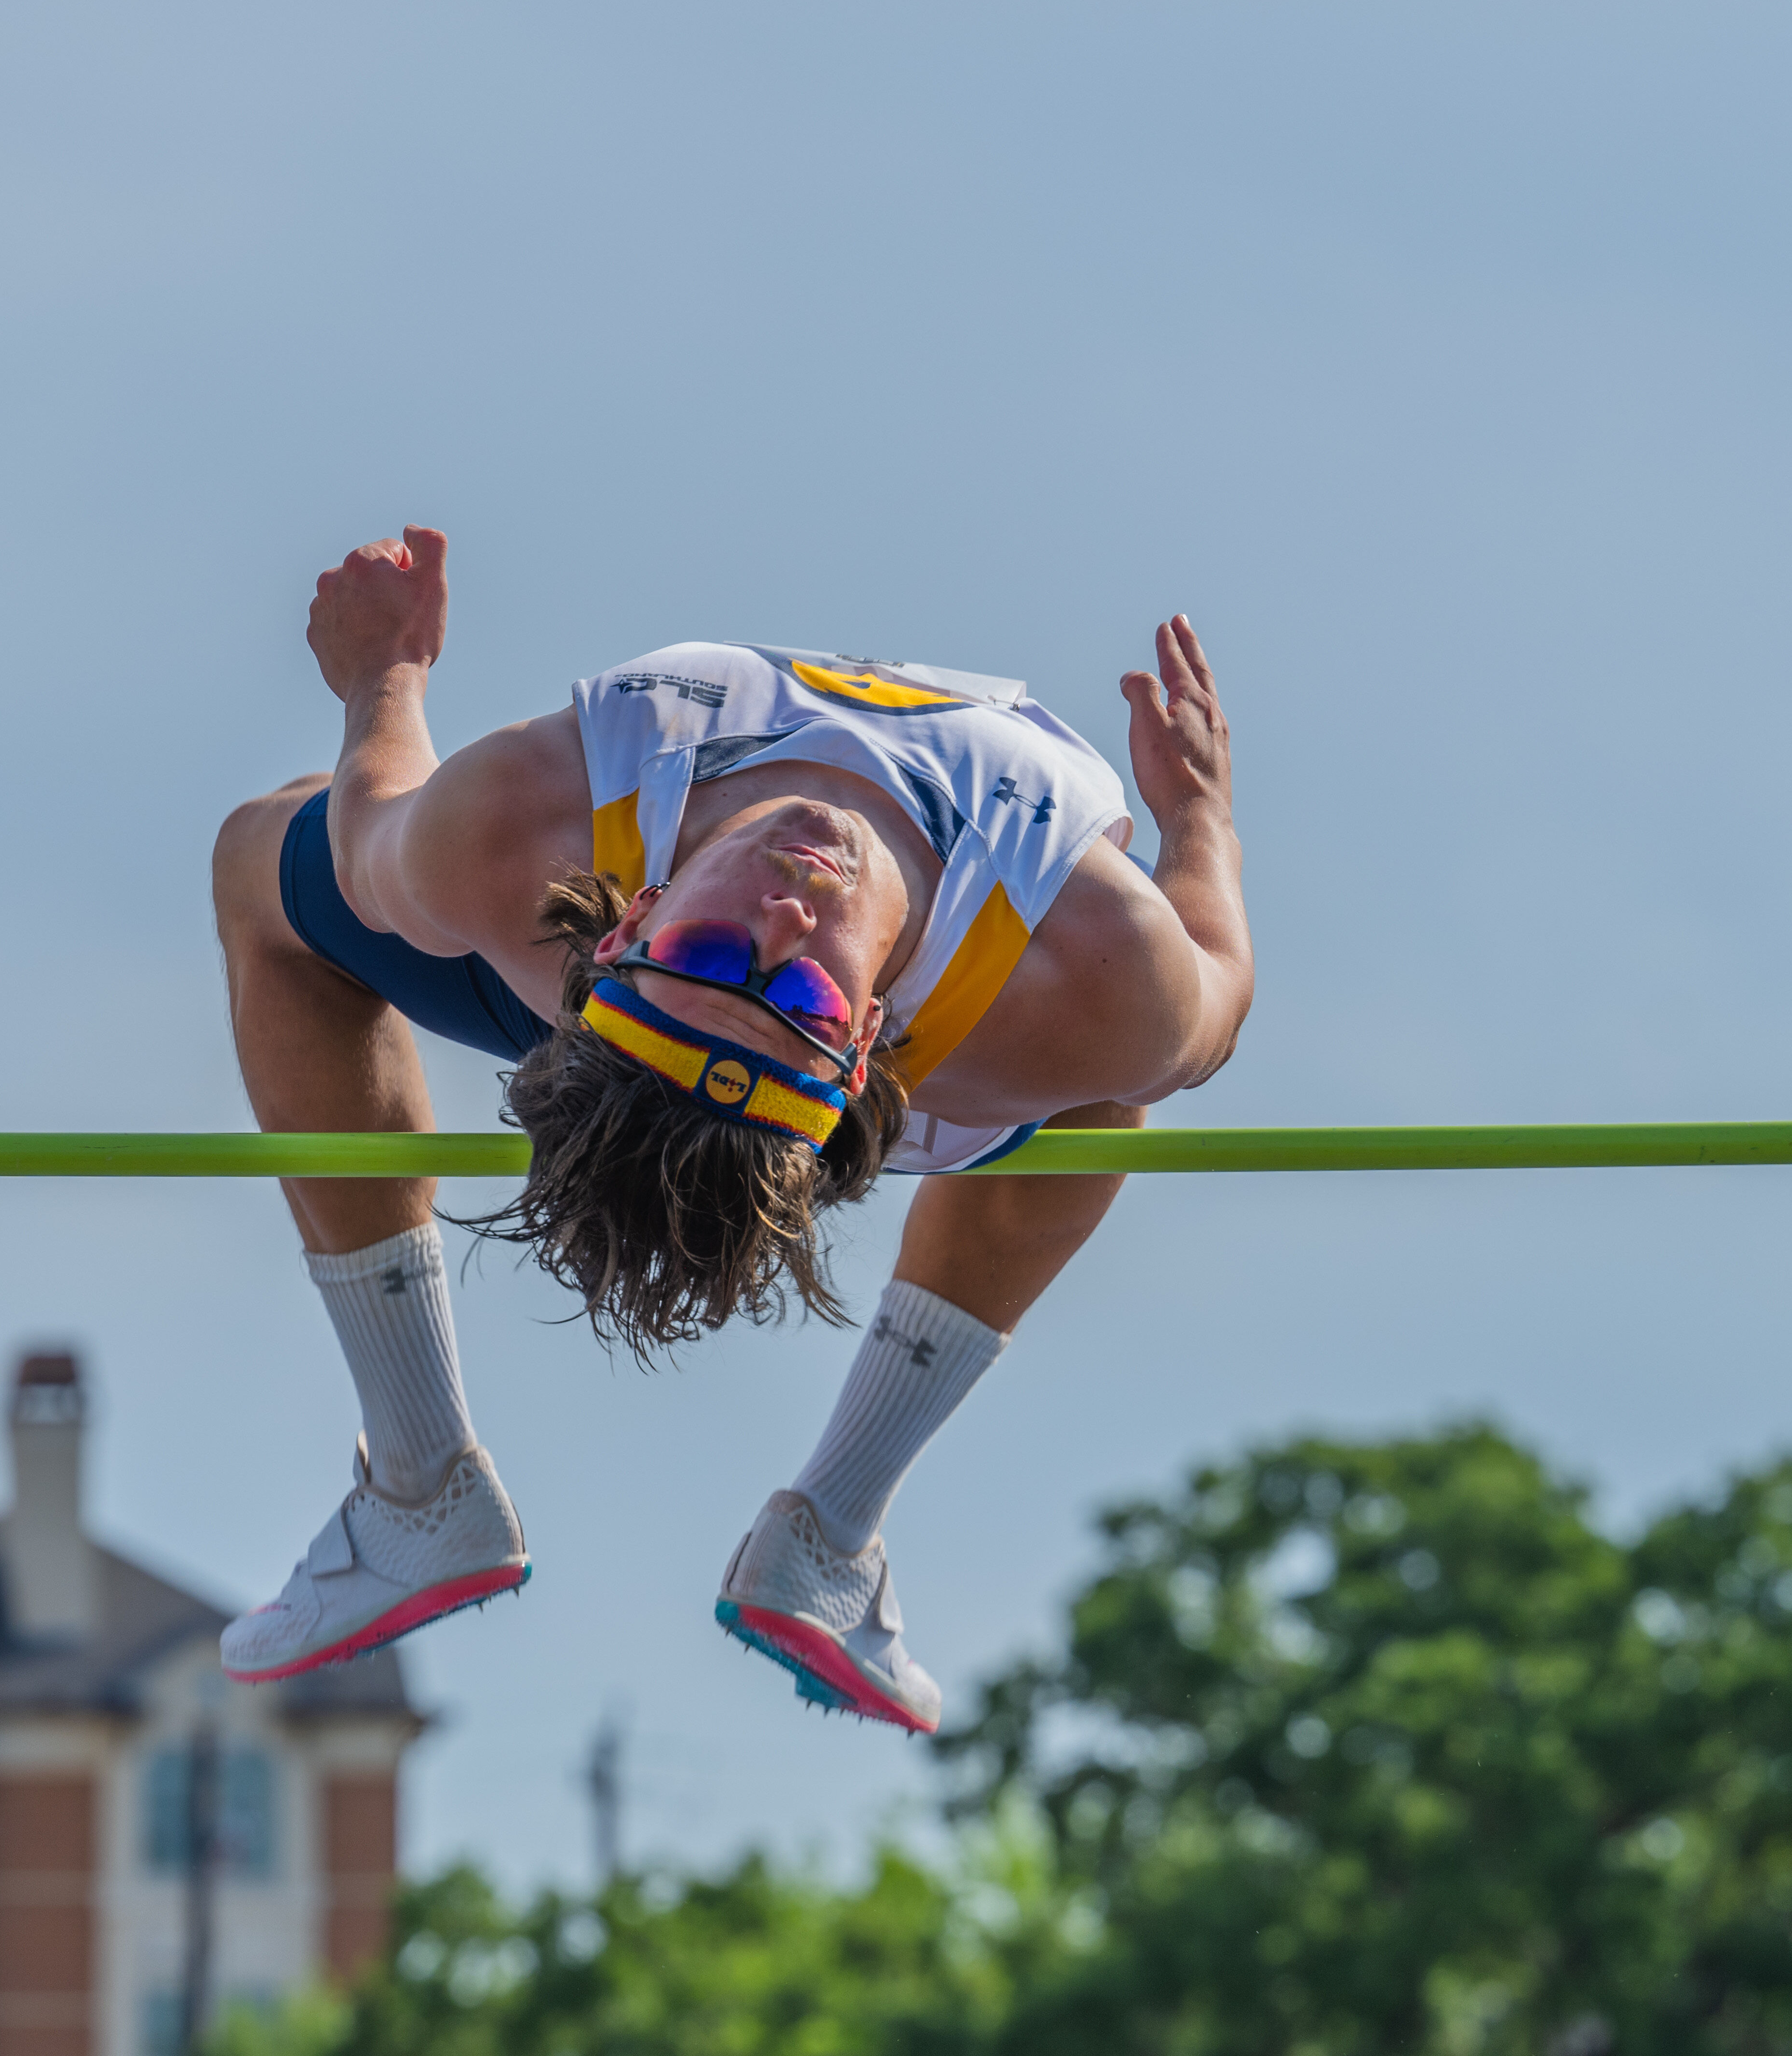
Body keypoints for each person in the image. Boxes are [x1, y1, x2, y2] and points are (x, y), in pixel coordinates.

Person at [210, 526, 1252, 1731]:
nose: (783, 919)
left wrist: (384, 677)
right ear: (863, 1032)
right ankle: (426, 1483)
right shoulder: (1080, 960)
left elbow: (368, 813)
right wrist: (1201, 826)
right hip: (893, 1051)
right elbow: (1214, 986)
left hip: (730, 1031)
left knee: (268, 845)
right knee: (1109, 1069)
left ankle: (817, 1525)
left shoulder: (518, 824)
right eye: (787, 985)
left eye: (725, 958)